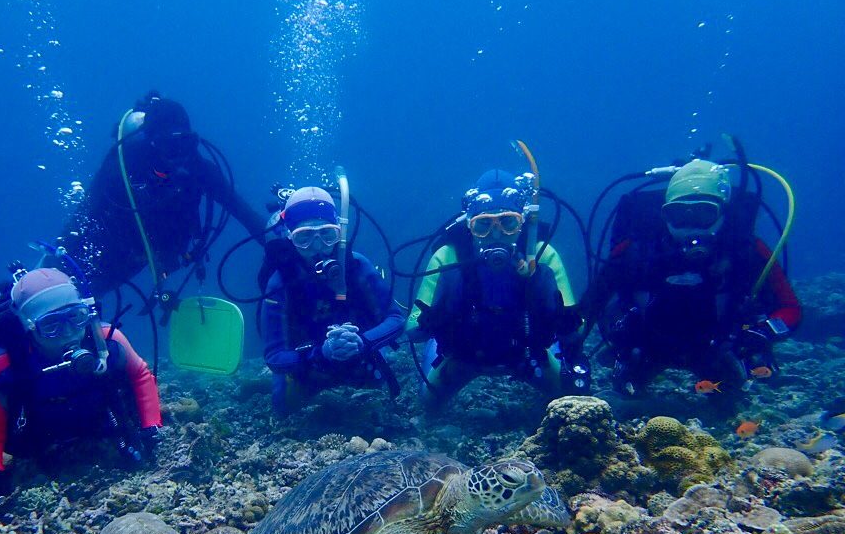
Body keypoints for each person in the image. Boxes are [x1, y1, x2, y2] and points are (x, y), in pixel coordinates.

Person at [585, 159, 801, 396]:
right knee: (625, 394)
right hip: (647, 346)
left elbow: (790, 308)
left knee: (730, 394)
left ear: (723, 213)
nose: (690, 226)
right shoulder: (635, 250)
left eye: (703, 213)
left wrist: (762, 333)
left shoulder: (747, 251)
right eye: (678, 215)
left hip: (717, 347)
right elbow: (590, 305)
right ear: (663, 215)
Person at [0, 268, 163, 508]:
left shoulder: (106, 341)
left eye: (76, 317)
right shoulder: (1, 369)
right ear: (28, 327)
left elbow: (142, 375)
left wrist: (151, 427)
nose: (69, 333)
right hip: (35, 443)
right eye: (51, 325)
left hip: (98, 426)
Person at [406, 169, 589, 407]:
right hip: (463, 357)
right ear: (469, 226)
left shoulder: (542, 255)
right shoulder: (449, 256)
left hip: (529, 356)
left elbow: (576, 329)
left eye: (507, 223)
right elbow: (412, 328)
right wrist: (430, 323)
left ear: (522, 223)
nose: (496, 235)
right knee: (426, 406)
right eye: (483, 225)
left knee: (570, 404)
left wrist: (566, 321)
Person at [62, 91, 266, 295]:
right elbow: (84, 215)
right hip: (119, 250)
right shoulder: (123, 168)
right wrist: (59, 257)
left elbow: (244, 213)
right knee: (81, 295)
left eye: (184, 143)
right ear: (152, 143)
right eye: (169, 146)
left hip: (164, 254)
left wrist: (277, 245)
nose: (178, 155)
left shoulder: (200, 169)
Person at [261, 187, 405, 416]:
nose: (318, 248)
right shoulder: (280, 284)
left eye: (327, 235)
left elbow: (396, 318)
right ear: (289, 236)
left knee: (381, 412)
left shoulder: (357, 266)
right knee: (283, 412)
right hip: (309, 365)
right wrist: (320, 354)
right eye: (305, 238)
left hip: (360, 358)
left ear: (340, 233)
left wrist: (362, 342)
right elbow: (273, 357)